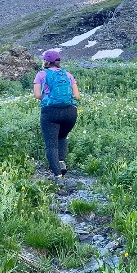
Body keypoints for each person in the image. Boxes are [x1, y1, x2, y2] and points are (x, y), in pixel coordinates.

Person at [33, 49, 80, 178]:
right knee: (62, 137)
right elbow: (76, 96)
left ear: (46, 61)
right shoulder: (68, 74)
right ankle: (61, 163)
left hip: (51, 112)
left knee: (51, 145)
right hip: (70, 112)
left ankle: (58, 177)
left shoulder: (41, 74)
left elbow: (37, 95)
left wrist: (50, 98)